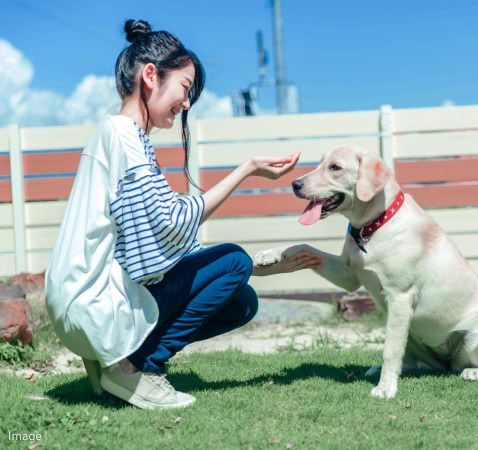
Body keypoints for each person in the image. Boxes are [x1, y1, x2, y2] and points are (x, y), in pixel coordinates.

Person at [45, 19, 322, 410]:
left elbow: (159, 239)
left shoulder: (120, 136)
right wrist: (246, 170)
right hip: (94, 303)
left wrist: (265, 269)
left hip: (85, 301)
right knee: (233, 259)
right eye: (185, 89)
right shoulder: (124, 136)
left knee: (242, 301)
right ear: (151, 76)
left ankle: (117, 361)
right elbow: (172, 224)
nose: (187, 103)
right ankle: (135, 368)